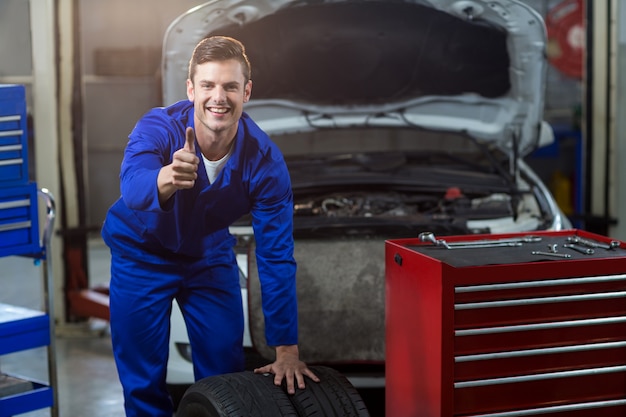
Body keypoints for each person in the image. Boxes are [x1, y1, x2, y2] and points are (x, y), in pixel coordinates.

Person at [101, 35, 319, 417]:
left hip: (208, 255)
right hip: (141, 255)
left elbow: (276, 256)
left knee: (225, 372)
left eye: (230, 86)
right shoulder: (158, 128)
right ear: (191, 89)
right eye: (208, 85)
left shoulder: (265, 163)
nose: (219, 97)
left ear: (246, 91)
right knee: (143, 381)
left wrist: (286, 350)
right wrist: (167, 177)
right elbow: (132, 186)